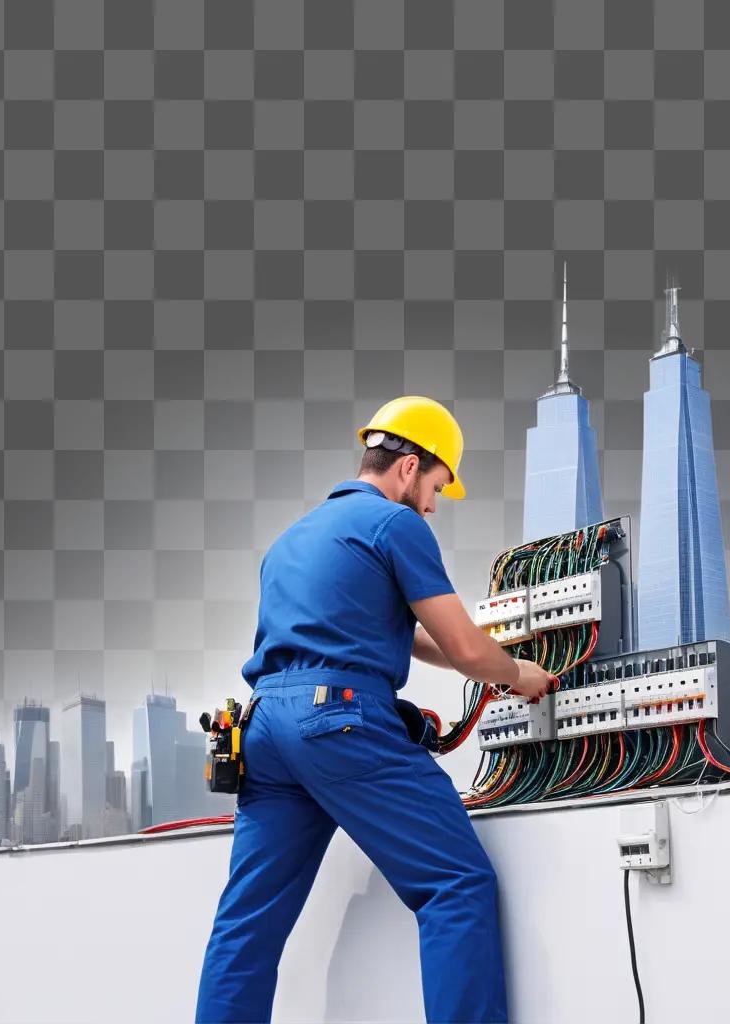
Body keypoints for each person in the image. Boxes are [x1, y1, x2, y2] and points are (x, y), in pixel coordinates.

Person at [195, 395, 556, 1024]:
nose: (434, 505)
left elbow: (406, 635)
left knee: (246, 925)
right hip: (336, 723)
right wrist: (520, 672)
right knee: (455, 884)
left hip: (266, 732)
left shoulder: (291, 539)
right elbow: (468, 649)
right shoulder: (396, 526)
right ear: (410, 466)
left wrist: (472, 653)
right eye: (437, 486)